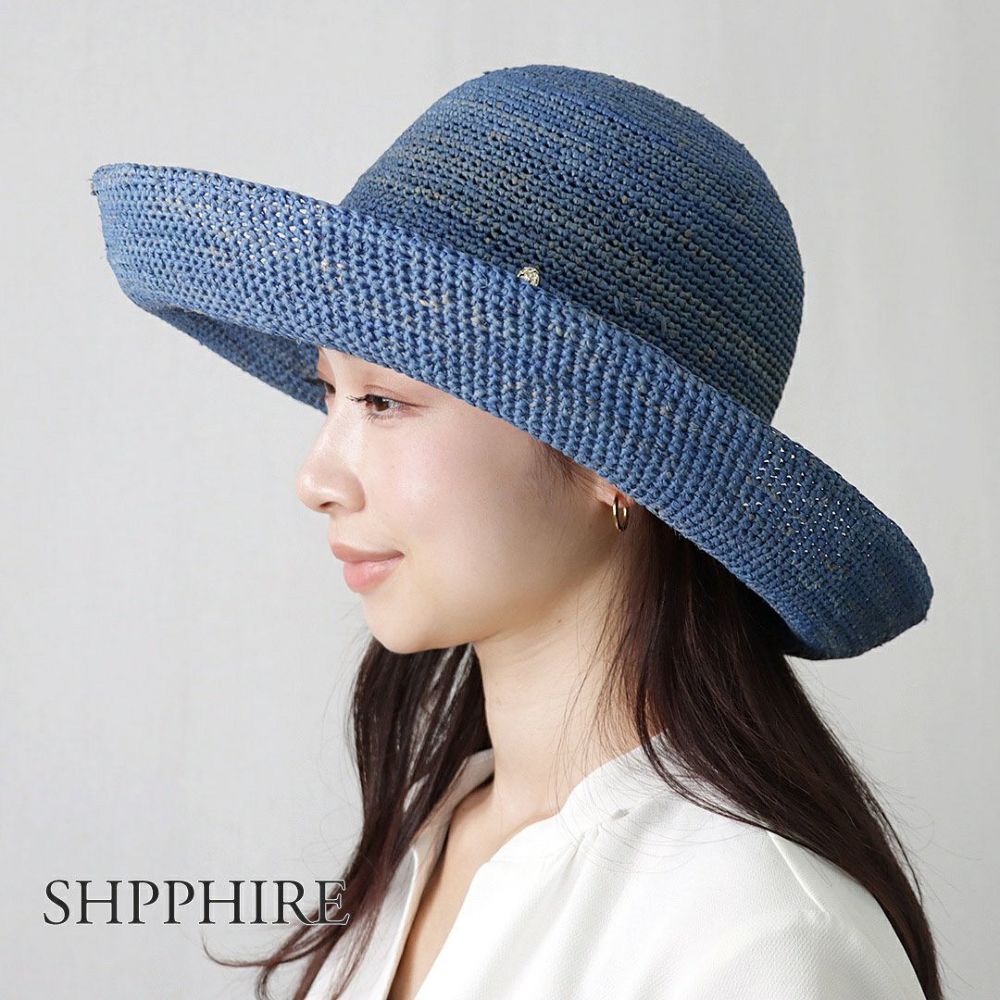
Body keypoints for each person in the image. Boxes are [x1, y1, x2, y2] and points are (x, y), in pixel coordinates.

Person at [90, 64, 940, 1000]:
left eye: (385, 401)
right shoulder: (437, 831)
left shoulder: (754, 940)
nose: (316, 480)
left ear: (615, 452)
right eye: (330, 393)